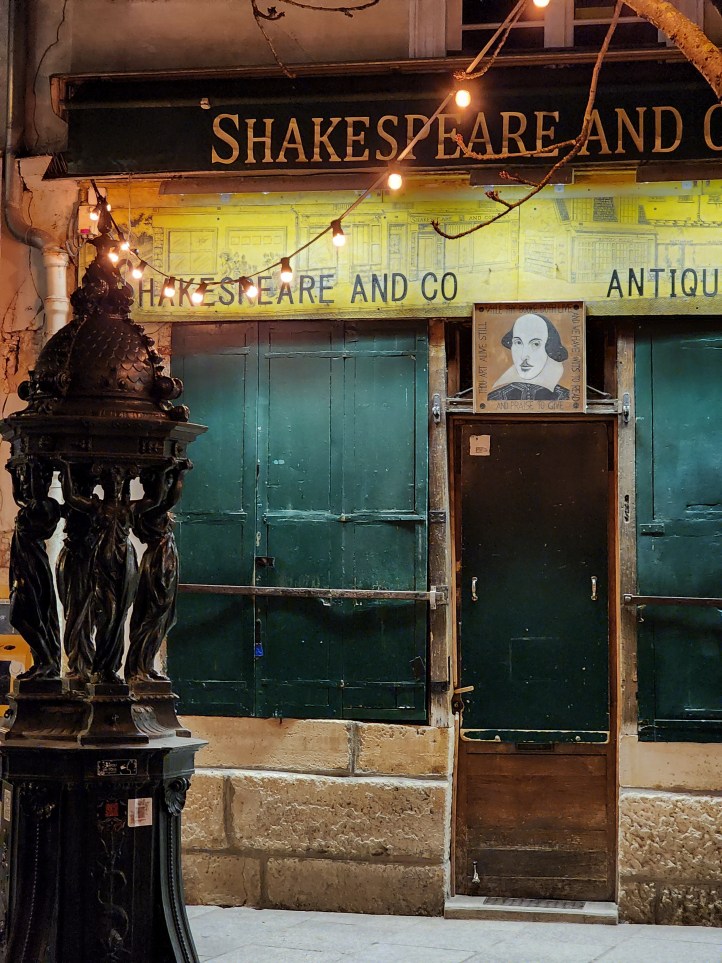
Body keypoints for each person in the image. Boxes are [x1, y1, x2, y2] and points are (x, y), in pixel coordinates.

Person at [487, 312, 570, 401]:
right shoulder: (494, 398)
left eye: (535, 344)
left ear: (550, 347)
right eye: (518, 342)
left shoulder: (566, 397)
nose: (524, 356)